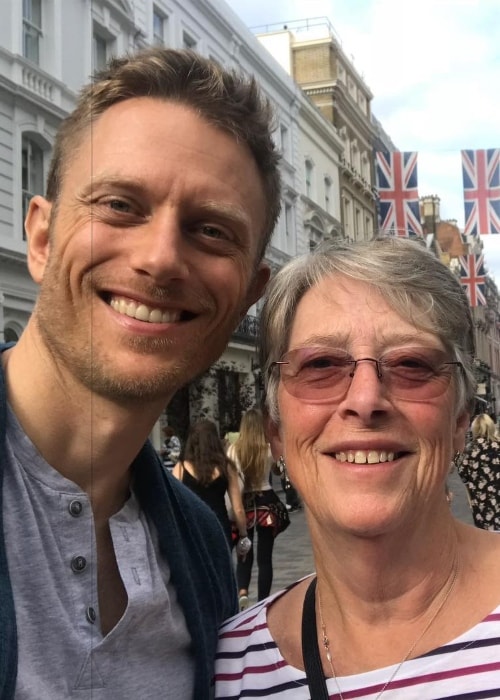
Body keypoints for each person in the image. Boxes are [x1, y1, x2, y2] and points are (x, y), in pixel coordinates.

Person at [0, 46, 282, 699]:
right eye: (120, 205)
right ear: (41, 239)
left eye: (211, 231)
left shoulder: (202, 548)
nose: (160, 260)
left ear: (247, 296)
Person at [215, 237, 500, 698]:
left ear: (459, 422)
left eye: (410, 364)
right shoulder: (232, 668)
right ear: (275, 430)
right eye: (321, 365)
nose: (365, 400)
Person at [227, 408, 283, 609]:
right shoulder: (267, 449)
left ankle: (242, 590)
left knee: (244, 549)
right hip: (267, 502)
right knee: (265, 557)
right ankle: (263, 600)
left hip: (245, 502)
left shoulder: (234, 450)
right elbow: (278, 469)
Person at [172, 419, 249, 550]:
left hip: (192, 528)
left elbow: (173, 506)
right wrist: (243, 535)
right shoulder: (227, 467)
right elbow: (238, 509)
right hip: (219, 526)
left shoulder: (180, 468)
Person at [458, 413, 500, 530]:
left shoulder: (470, 449)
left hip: (482, 504)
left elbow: (463, 475)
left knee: (487, 537)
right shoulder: (498, 446)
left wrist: (456, 454)